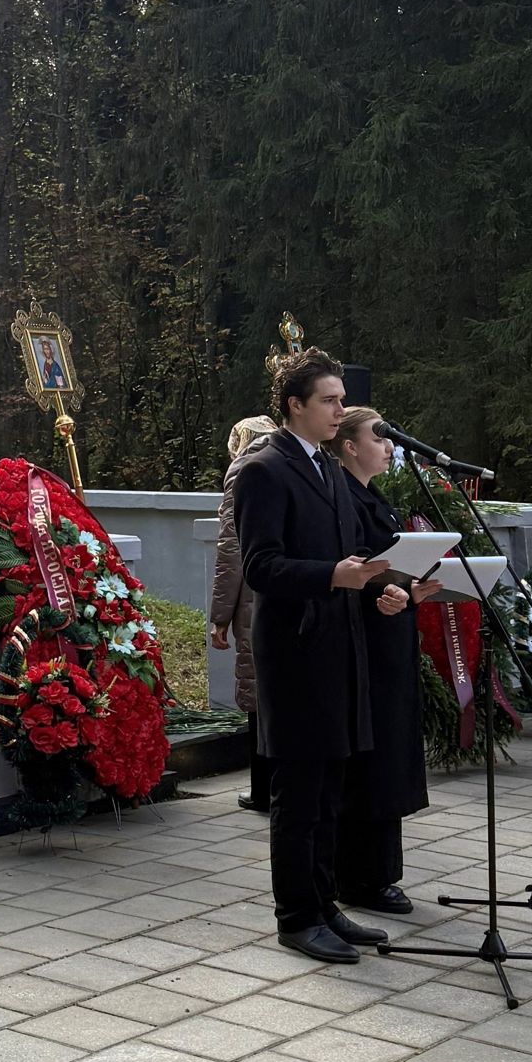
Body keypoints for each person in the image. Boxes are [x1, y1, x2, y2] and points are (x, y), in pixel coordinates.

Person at [231, 348, 390, 965]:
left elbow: (357, 550)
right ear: (294, 405)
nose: (340, 410)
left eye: (341, 399)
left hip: (338, 644)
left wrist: (390, 586)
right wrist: (332, 577)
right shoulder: (264, 472)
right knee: (299, 793)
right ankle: (296, 916)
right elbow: (260, 566)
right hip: (295, 650)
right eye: (329, 400)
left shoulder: (326, 468)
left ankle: (325, 905)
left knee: (330, 788)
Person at [332, 407, 440, 914]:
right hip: (364, 638)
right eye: (379, 437)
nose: (390, 445)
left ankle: (378, 871)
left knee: (390, 746)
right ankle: (361, 878)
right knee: (371, 755)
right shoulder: (343, 498)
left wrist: (414, 586)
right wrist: (395, 585)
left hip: (390, 632)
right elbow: (353, 568)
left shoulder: (372, 495)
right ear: (350, 446)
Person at [209, 414, 278, 812]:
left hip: (255, 595)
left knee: (257, 692)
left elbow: (230, 551)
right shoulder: (300, 459)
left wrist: (220, 616)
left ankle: (262, 788)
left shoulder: (244, 468)